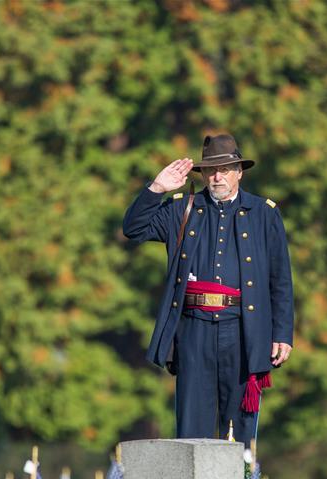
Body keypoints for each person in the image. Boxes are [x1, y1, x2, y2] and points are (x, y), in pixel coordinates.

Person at [123, 134, 294, 446]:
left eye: (226, 169)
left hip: (243, 330)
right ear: (202, 174)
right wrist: (156, 189)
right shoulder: (181, 208)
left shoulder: (264, 213)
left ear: (240, 172)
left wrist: (282, 332)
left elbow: (280, 278)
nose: (218, 176)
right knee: (192, 428)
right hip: (192, 330)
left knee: (240, 430)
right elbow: (133, 228)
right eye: (212, 170)